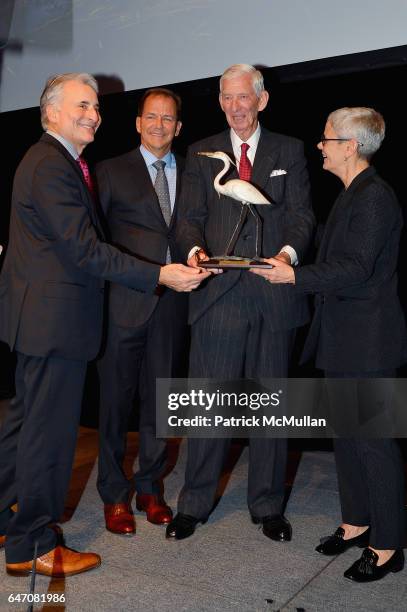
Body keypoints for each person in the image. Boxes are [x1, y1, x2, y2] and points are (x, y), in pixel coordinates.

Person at [0, 73, 209, 577]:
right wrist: (159, 273)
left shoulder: (58, 162)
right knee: (47, 436)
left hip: (45, 321)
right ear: (51, 111)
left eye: (96, 106)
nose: (94, 114)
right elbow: (84, 249)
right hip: (54, 323)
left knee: (24, 424)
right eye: (82, 105)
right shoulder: (51, 165)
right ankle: (31, 544)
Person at [252, 107, 406, 582]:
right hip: (343, 339)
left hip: (369, 343)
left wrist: (294, 276)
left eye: (326, 139)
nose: (319, 145)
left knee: (374, 444)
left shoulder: (375, 198)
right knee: (346, 440)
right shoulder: (350, 194)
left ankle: (387, 545)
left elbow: (357, 269)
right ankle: (357, 523)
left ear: (350, 146)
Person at [167, 64, 314, 540]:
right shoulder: (200, 153)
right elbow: (186, 218)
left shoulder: (289, 150)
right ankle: (192, 504)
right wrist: (192, 252)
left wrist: (288, 256)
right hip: (218, 300)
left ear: (262, 100)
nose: (235, 107)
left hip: (273, 296)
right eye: (226, 98)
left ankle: (268, 506)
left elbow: (302, 217)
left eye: (242, 98)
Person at [96, 88, 188, 534]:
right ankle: (114, 495)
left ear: (178, 127)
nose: (159, 125)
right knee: (114, 405)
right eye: (151, 117)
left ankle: (150, 487)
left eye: (167, 119)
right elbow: (96, 244)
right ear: (137, 123)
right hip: (122, 305)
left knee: (160, 403)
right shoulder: (109, 172)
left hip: (172, 309)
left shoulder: (192, 174)